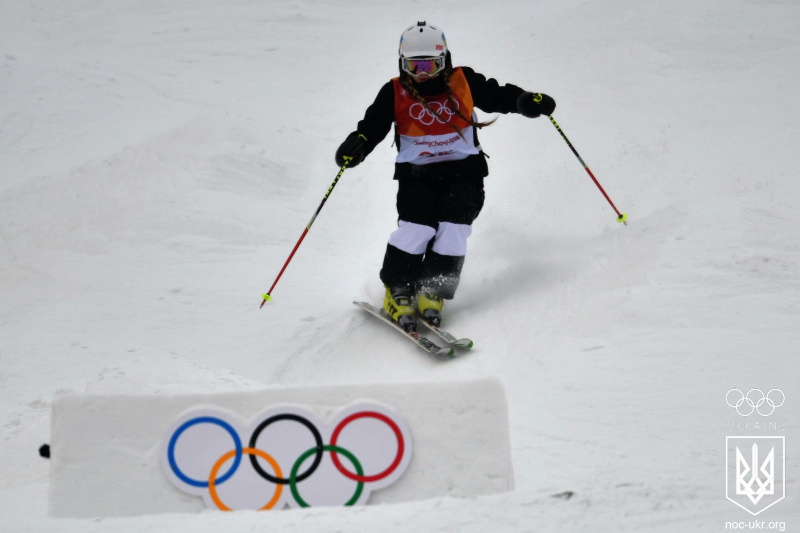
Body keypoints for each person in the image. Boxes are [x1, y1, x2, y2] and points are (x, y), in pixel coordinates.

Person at [336, 21, 555, 332]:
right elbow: (373, 125)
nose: (422, 72)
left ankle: (432, 291)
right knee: (416, 229)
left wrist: (523, 101)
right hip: (417, 175)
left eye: (430, 64)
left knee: (454, 229)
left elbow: (496, 95)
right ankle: (397, 291)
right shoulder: (395, 91)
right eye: (414, 65)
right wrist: (357, 144)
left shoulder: (463, 80)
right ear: (403, 63)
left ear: (444, 60)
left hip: (464, 172)